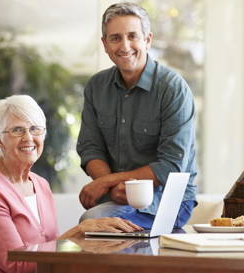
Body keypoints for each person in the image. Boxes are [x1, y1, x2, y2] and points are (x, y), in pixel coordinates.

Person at [0, 95, 142, 273]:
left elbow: (48, 246)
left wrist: (93, 240)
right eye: (17, 130)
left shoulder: (40, 184)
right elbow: (19, 266)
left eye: (35, 129)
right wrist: (78, 232)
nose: (28, 138)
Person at [77, 2, 197, 229]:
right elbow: (90, 148)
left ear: (147, 40)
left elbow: (171, 165)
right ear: (105, 44)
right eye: (115, 38)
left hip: (167, 201)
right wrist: (113, 189)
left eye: (133, 36)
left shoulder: (172, 88)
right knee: (94, 224)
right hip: (115, 197)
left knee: (92, 222)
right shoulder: (96, 86)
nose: (124, 45)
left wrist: (106, 182)